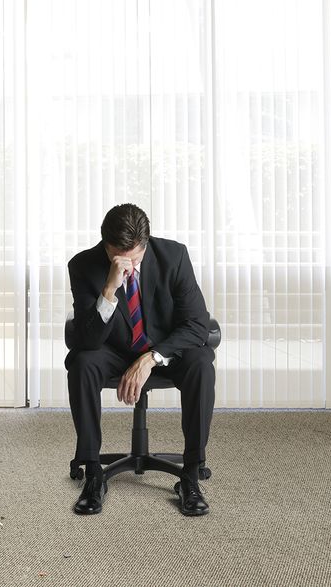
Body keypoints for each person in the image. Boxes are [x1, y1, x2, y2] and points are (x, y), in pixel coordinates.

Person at [65, 203, 215, 517]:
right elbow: (87, 340)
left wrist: (151, 358)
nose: (129, 265)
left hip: (161, 351)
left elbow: (197, 323)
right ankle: (93, 473)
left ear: (145, 245)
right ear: (105, 246)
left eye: (135, 257)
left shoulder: (173, 257)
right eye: (120, 257)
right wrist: (109, 288)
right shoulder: (83, 265)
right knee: (82, 362)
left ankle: (190, 472)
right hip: (112, 350)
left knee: (201, 361)